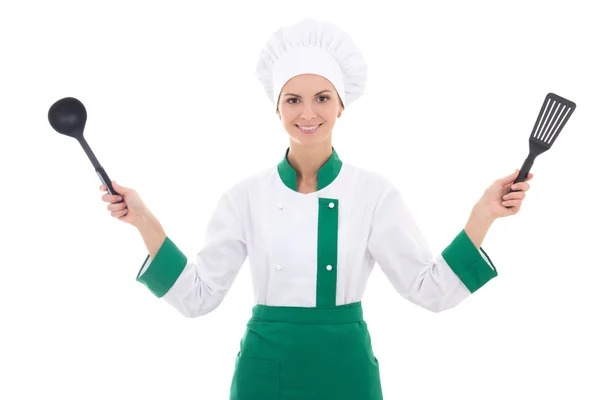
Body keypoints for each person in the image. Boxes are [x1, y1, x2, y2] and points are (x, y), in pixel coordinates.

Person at [100, 18, 533, 400]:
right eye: (293, 100)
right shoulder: (244, 196)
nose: (308, 112)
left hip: (346, 373)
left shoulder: (374, 194)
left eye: (322, 98)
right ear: (277, 107)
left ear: (342, 104)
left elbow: (430, 291)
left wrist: (483, 216)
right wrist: (143, 221)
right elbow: (197, 298)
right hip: (264, 375)